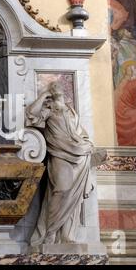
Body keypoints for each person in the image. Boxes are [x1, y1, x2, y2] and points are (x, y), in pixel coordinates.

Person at [27, 81, 94, 245]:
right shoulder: (49, 110)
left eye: (59, 86)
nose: (57, 87)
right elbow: (31, 115)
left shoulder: (72, 112)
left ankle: (65, 235)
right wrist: (43, 95)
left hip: (78, 156)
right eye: (54, 86)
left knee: (73, 195)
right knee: (62, 190)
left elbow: (81, 134)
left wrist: (86, 146)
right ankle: (50, 231)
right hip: (59, 154)